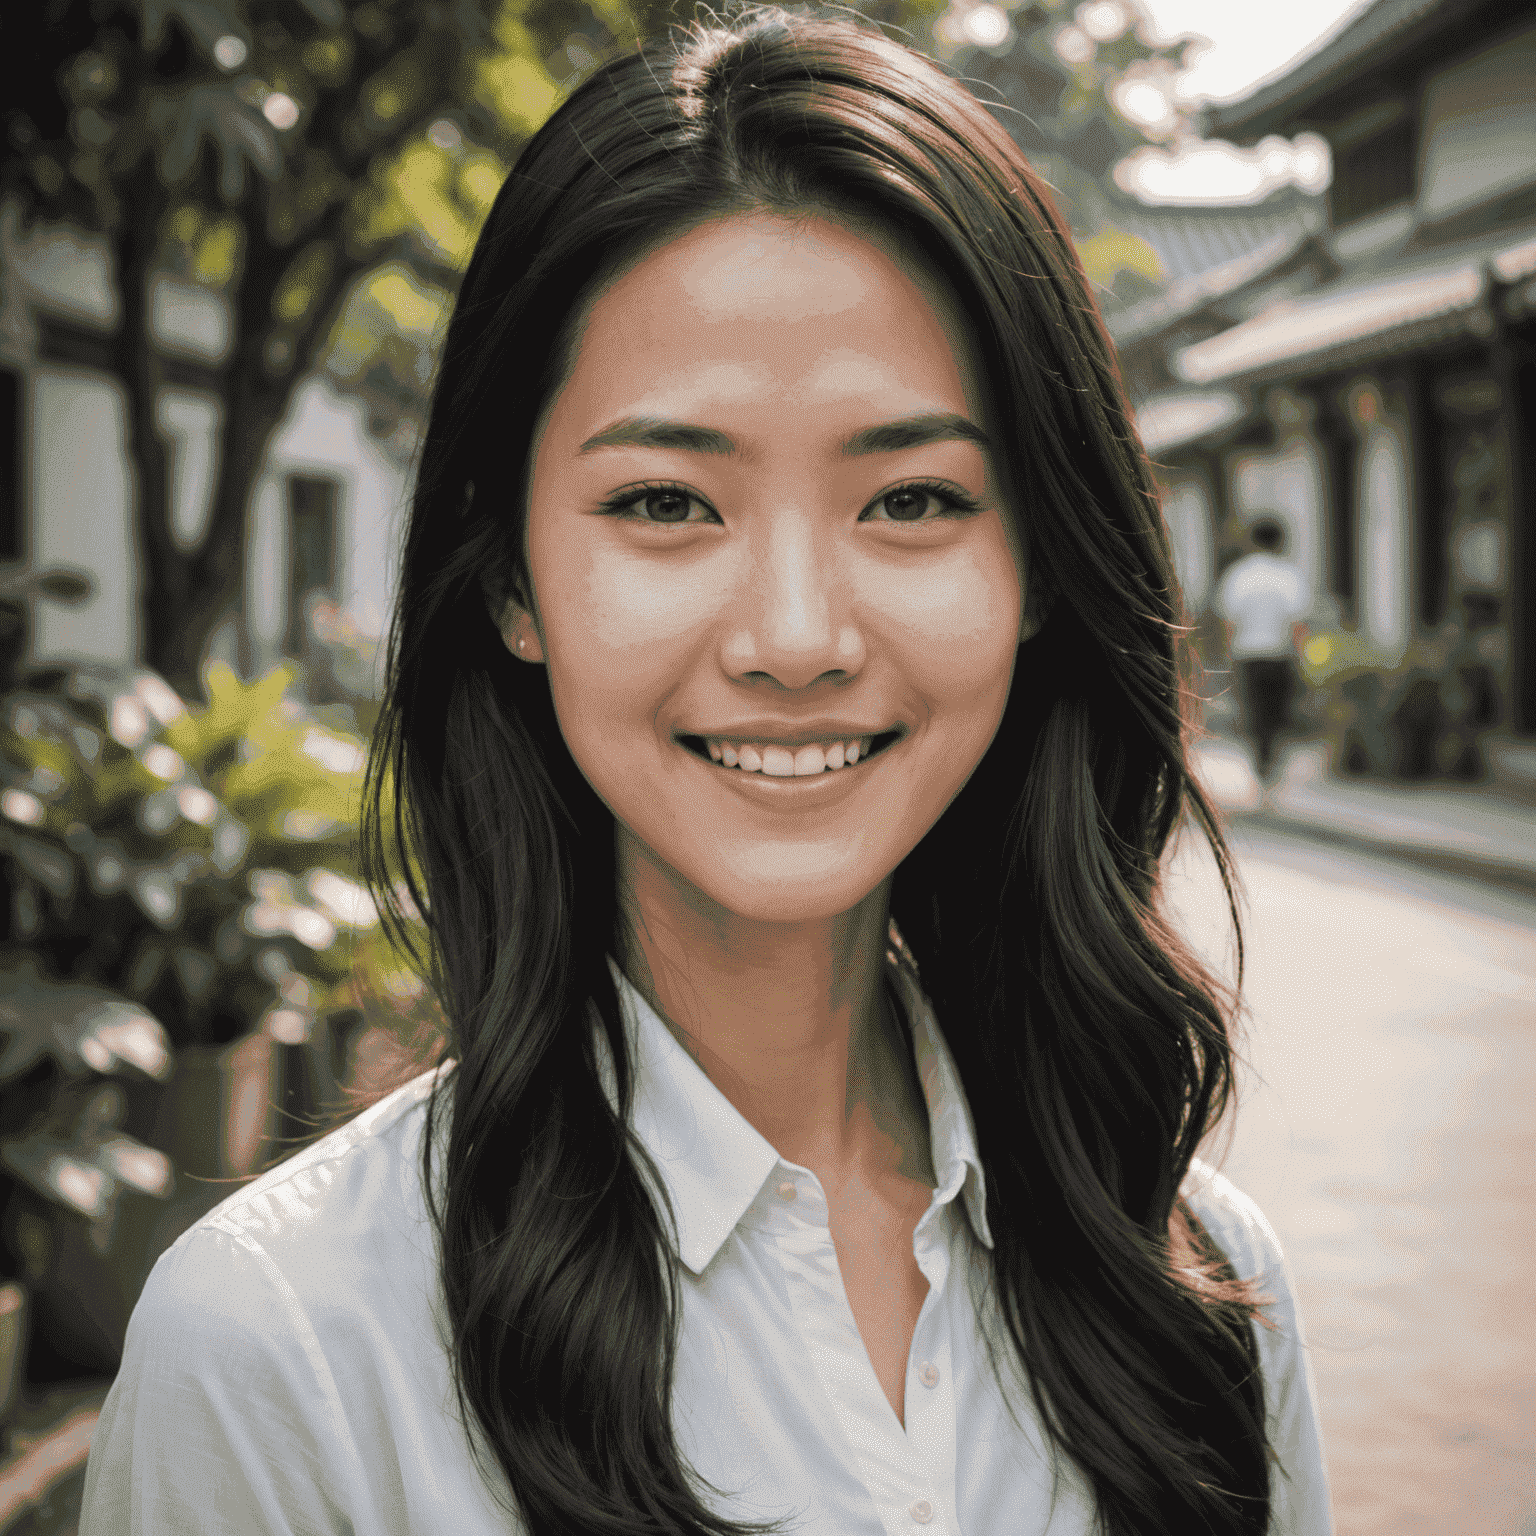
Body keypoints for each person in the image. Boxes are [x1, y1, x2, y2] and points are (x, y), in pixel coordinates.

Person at [80, 9, 1333, 1534]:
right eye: (668, 500)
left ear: (1043, 573)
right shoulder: (283, 1352)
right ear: (511, 579)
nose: (795, 637)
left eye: (915, 498)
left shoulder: (1193, 1282)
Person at [1216, 517, 1311, 793]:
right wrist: (1302, 656)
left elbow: (1227, 622)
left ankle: (1261, 763)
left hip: (1247, 655)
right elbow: (1298, 623)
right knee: (1278, 712)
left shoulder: (1239, 575)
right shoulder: (1288, 575)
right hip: (1280, 654)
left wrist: (1226, 654)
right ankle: (1269, 764)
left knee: (1255, 711)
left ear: (1253, 540)